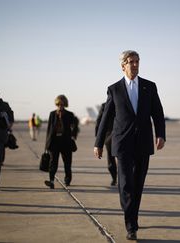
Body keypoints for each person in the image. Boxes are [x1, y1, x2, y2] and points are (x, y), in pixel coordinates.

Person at [94, 50, 166, 240]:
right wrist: (98, 143)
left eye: (137, 61)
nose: (134, 64)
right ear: (123, 65)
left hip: (143, 143)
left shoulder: (149, 87)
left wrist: (160, 134)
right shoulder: (114, 89)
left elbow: (157, 113)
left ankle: (133, 216)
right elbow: (105, 118)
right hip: (122, 143)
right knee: (126, 184)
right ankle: (131, 224)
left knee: (138, 185)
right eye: (130, 62)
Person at [44, 95, 79, 189]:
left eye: (62, 104)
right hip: (54, 142)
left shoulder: (69, 114)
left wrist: (73, 136)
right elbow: (49, 130)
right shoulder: (52, 114)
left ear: (65, 104)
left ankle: (67, 180)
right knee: (53, 162)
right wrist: (47, 145)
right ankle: (51, 180)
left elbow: (75, 126)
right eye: (58, 104)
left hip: (66, 142)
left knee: (67, 163)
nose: (60, 106)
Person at [95, 102, 117, 186]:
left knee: (119, 158)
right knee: (111, 158)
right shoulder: (105, 106)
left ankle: (117, 178)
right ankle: (114, 178)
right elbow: (99, 121)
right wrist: (98, 139)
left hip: (121, 135)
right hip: (109, 136)